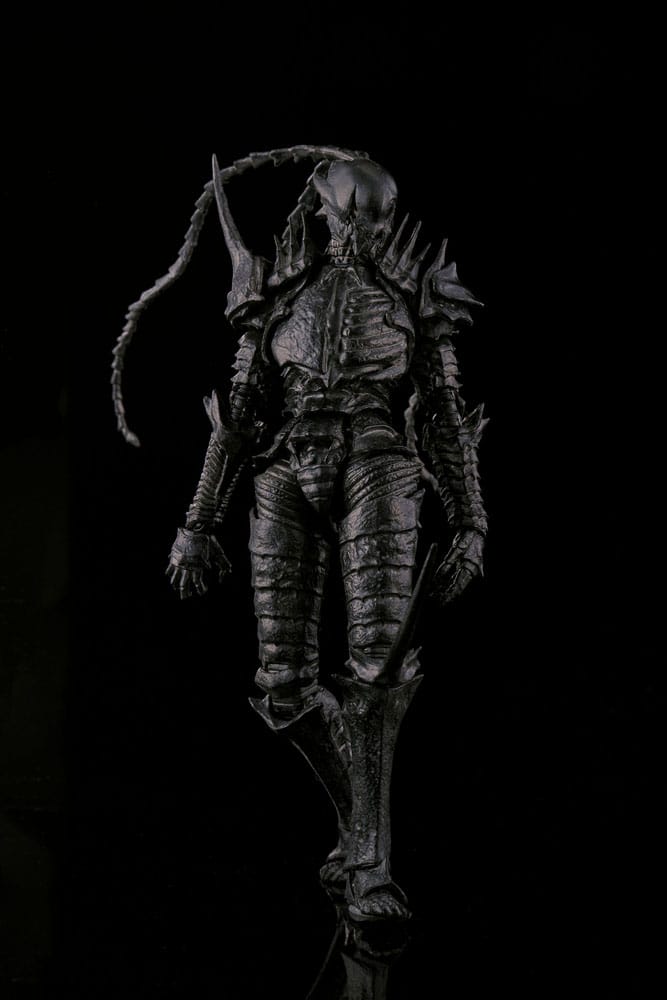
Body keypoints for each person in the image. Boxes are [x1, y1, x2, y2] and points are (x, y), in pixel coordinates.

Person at [115, 147, 487, 922]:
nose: (355, 228)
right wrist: (198, 520)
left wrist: (469, 519)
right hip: (285, 468)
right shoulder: (275, 291)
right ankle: (358, 830)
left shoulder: (415, 294)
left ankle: (371, 868)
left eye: (371, 216)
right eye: (349, 212)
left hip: (377, 461)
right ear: (326, 211)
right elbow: (243, 410)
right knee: (281, 684)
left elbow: (443, 411)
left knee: (378, 667)